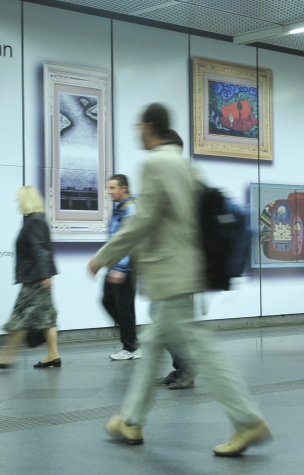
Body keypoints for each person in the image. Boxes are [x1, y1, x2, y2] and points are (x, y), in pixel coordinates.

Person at [88, 103, 270, 457]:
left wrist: (105, 255)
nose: (137, 130)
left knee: (200, 348)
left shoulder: (155, 163)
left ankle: (247, 419)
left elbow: (145, 221)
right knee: (155, 340)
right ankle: (131, 419)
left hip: (171, 272)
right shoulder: (185, 164)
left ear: (150, 126)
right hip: (188, 268)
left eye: (139, 125)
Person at [0, 186, 60, 369]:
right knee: (46, 317)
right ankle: (53, 355)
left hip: (35, 278)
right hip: (37, 276)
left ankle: (5, 357)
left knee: (21, 318)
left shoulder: (34, 221)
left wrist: (44, 275)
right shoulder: (33, 219)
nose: (17, 202)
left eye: (19, 199)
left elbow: (40, 250)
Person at [152, 128, 196, 389]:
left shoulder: (173, 178)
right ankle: (183, 368)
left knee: (163, 319)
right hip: (180, 266)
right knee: (171, 322)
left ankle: (188, 366)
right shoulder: (186, 175)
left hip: (176, 267)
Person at [103, 174, 141, 361]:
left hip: (124, 266)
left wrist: (121, 267)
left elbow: (130, 240)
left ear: (123, 188)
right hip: (115, 264)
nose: (109, 191)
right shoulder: (120, 208)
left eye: (112, 188)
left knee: (124, 307)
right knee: (108, 301)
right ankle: (132, 340)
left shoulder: (130, 208)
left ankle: (131, 347)